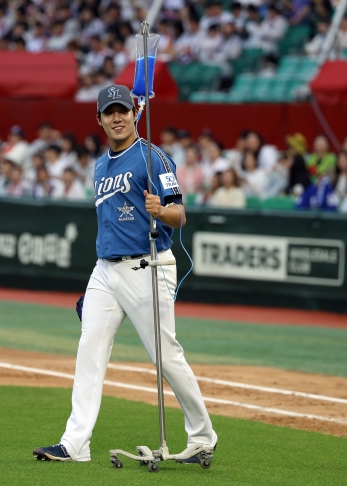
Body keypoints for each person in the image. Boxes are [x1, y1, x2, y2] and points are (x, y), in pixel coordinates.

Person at [33, 85, 217, 464]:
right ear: (98, 119)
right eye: (109, 112)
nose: (117, 117)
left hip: (148, 265)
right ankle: (74, 443)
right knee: (89, 351)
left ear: (134, 113)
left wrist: (159, 211)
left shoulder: (154, 158)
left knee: (166, 357)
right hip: (106, 269)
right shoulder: (100, 165)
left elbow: (179, 214)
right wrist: (99, 278)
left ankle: (202, 435)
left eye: (122, 110)